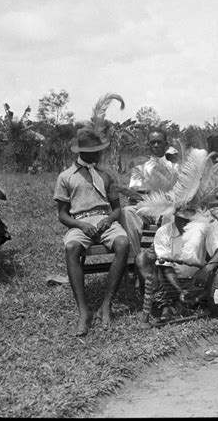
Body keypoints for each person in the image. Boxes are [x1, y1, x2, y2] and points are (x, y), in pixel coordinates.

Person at [53, 126, 130, 336]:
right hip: (80, 221)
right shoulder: (66, 177)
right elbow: (62, 215)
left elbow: (116, 209)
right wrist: (81, 225)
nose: (99, 153)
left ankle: (107, 304)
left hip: (105, 220)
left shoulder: (106, 175)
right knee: (71, 248)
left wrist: (108, 220)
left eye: (100, 149)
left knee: (123, 243)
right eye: (96, 150)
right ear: (82, 152)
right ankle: (84, 311)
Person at [151, 207, 218, 321]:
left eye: (188, 221)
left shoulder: (204, 228)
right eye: (180, 220)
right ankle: (177, 304)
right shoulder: (163, 232)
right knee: (159, 272)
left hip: (197, 280)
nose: (184, 225)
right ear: (175, 217)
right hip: (171, 282)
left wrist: (207, 268)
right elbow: (166, 267)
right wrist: (179, 290)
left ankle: (187, 303)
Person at [120, 127, 179, 262]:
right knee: (128, 212)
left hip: (167, 208)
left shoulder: (175, 167)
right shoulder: (140, 168)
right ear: (148, 145)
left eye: (159, 142)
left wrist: (151, 191)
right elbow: (133, 193)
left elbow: (179, 192)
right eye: (152, 142)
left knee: (172, 212)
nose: (156, 145)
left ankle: (165, 261)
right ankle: (135, 262)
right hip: (147, 207)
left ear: (166, 144)